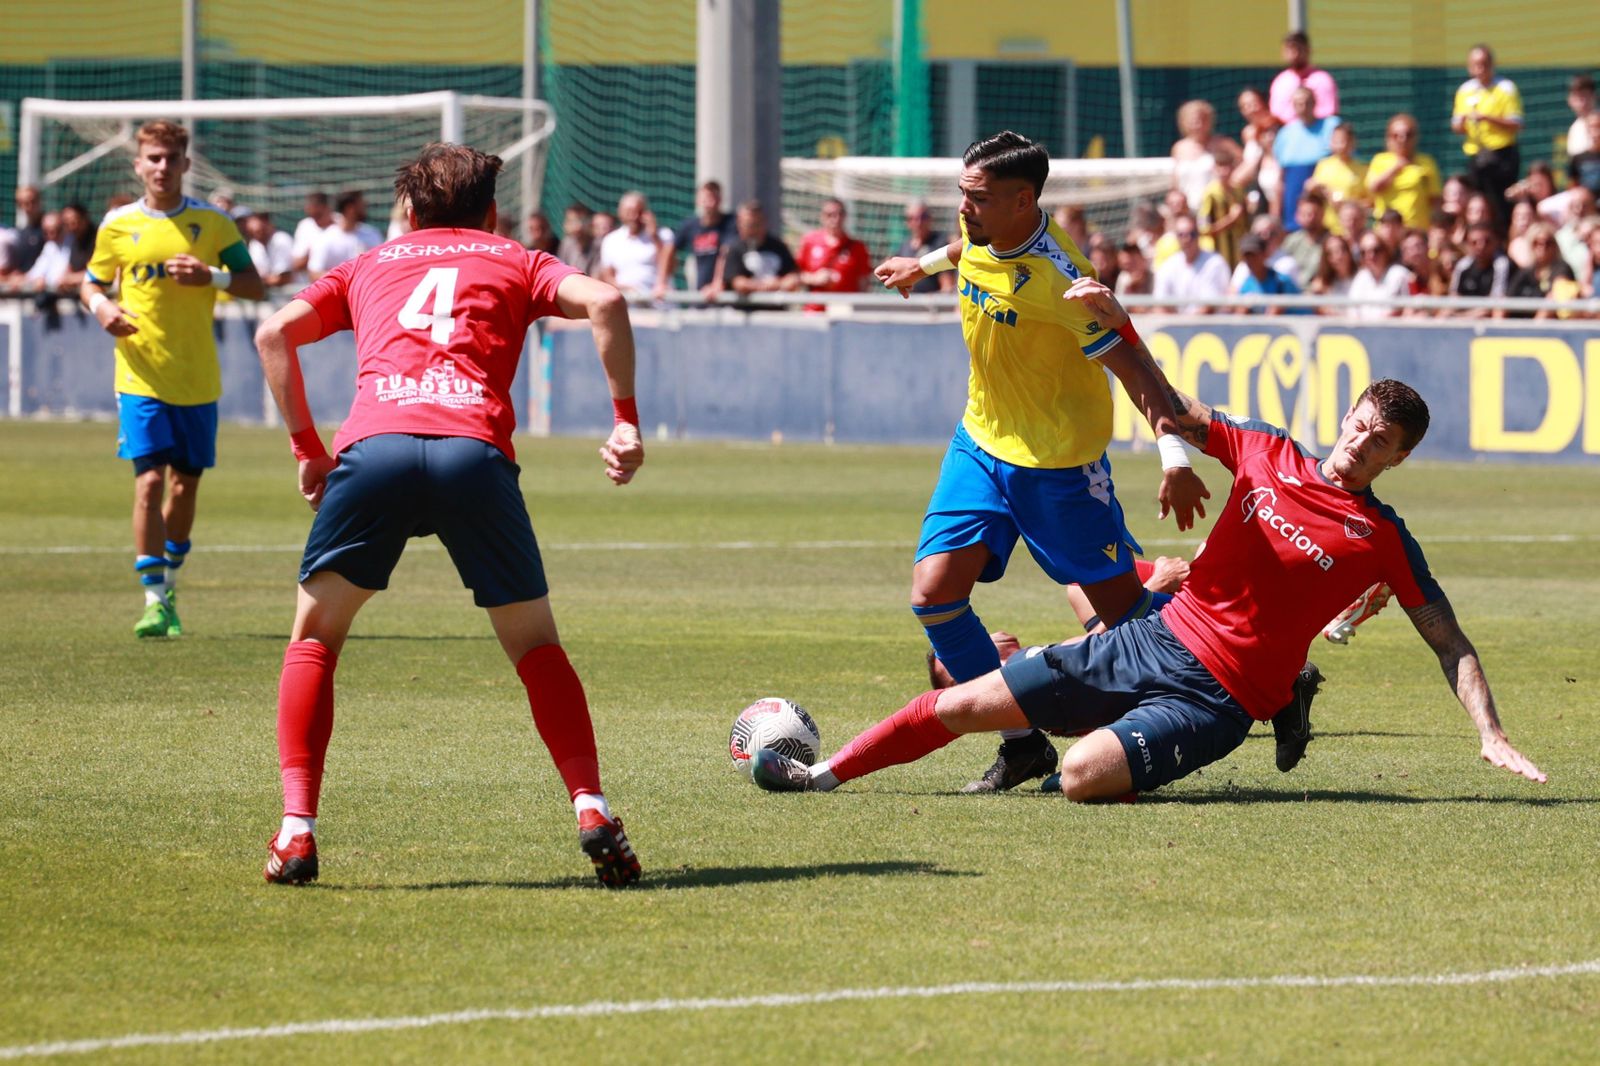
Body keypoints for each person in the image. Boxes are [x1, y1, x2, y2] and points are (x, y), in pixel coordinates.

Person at [753, 289, 1547, 800]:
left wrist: (1491, 733)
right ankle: (817, 775)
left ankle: (1270, 696)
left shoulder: (1383, 539)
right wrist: (1117, 321)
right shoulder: (1265, 450)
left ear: (1398, 458)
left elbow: (1450, 641)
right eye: (1361, 426)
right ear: (1349, 416)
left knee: (1079, 779)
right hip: (1150, 638)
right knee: (968, 701)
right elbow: (1170, 404)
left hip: (1217, 697)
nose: (1361, 445)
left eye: (1381, 444)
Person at [251, 142, 645, 889]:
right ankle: (592, 809)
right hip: (474, 455)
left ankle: (296, 830)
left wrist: (307, 448)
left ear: (407, 209)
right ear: (491, 211)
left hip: (377, 451)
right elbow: (609, 302)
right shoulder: (517, 258)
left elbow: (274, 333)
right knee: (535, 648)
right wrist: (624, 421)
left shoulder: (368, 263)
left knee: (314, 640)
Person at [872, 130, 1210, 792]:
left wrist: (1172, 454)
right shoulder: (981, 231)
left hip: (1057, 467)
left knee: (1129, 620)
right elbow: (964, 248)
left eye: (978, 197)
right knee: (934, 595)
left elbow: (1135, 366)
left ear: (1023, 201)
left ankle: (1252, 683)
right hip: (980, 443)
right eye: (963, 194)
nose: (963, 207)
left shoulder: (1064, 280)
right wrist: (922, 265)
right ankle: (1021, 744)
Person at [77, 120, 266, 638]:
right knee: (149, 483)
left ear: (186, 163)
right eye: (153, 159)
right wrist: (101, 309)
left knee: (183, 489)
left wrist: (213, 277)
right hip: (139, 374)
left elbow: (254, 285)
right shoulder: (117, 225)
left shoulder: (214, 224)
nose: (162, 167)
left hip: (197, 379)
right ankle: (154, 600)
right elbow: (90, 284)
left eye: (171, 158)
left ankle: (171, 581)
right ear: (138, 165)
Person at [1451, 45, 1523, 227]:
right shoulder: (1464, 91)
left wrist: (1487, 119)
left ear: (1491, 65)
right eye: (1475, 64)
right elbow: (1456, 125)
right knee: (1478, 203)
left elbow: (1516, 123)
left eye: (1484, 64)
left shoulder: (1505, 88)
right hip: (1477, 156)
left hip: (1502, 156)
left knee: (1502, 204)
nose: (1480, 69)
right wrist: (1463, 124)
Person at [1275, 88, 1341, 232]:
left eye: (1307, 103)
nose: (1303, 108)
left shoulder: (1332, 126)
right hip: (1293, 214)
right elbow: (1280, 179)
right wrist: (1276, 215)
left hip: (1328, 216)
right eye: (1298, 104)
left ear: (1314, 103)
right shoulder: (1285, 134)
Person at [1366, 114, 1441, 232]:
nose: (1403, 139)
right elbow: (1373, 187)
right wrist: (1395, 168)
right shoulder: (1379, 161)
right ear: (1388, 138)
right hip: (1388, 230)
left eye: (1408, 135)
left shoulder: (1427, 163)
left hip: (1417, 230)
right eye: (1396, 135)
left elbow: (1435, 200)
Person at [660, 180, 735, 296]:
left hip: (723, 296)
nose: (709, 204)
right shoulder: (690, 225)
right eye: (705, 199)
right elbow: (669, 249)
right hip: (700, 292)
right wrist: (661, 283)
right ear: (698, 200)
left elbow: (725, 253)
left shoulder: (730, 223)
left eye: (713, 198)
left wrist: (717, 283)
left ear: (720, 200)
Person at [714, 200, 800, 296]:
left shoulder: (778, 246)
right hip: (746, 310)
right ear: (739, 224)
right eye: (749, 224)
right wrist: (764, 286)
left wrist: (781, 283)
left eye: (757, 224)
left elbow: (793, 276)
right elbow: (738, 283)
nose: (754, 229)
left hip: (775, 309)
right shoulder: (735, 248)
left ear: (764, 222)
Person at [1171, 100, 1240, 214]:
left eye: (1201, 120)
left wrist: (1232, 185)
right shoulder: (1179, 148)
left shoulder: (1222, 144)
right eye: (1192, 121)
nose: (1197, 125)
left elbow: (1243, 165)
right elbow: (1175, 182)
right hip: (1188, 210)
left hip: (1217, 209)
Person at [796, 198, 873, 298]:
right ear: (822, 216)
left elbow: (864, 283)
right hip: (815, 309)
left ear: (845, 216)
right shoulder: (809, 242)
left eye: (839, 214)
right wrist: (814, 279)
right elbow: (795, 276)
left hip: (846, 308)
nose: (835, 219)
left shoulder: (858, 247)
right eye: (829, 214)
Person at [1153, 216, 1231, 313]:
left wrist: (1183, 325)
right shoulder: (1168, 265)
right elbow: (1160, 304)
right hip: (1176, 324)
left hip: (1210, 326)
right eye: (1181, 235)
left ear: (1198, 235)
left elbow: (1209, 308)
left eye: (1192, 234)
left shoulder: (1215, 263)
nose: (1187, 239)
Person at [598, 190, 666, 298]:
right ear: (620, 213)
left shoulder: (663, 235)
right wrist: (626, 289)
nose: (633, 217)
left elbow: (670, 266)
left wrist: (655, 237)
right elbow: (607, 276)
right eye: (628, 212)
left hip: (656, 304)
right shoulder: (611, 240)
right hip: (627, 304)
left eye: (637, 212)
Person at [1505, 222, 1577, 319]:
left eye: (1547, 243)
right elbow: (1508, 296)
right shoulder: (1526, 271)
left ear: (1555, 246)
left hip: (1550, 327)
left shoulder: (1562, 268)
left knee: (1551, 300)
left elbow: (1559, 291)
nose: (1542, 247)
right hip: (1523, 321)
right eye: (1536, 243)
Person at [1270, 30, 1339, 126]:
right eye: (1289, 48)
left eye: (1298, 48)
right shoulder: (1280, 82)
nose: (1294, 53)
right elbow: (1277, 114)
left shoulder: (1322, 79)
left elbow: (1329, 112)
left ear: (1308, 50)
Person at [1308, 123, 1368, 235]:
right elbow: (1312, 189)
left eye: (1343, 140)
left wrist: (1348, 204)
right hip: (1327, 229)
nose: (1340, 145)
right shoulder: (1323, 165)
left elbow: (1369, 202)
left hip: (1353, 230)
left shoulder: (1362, 169)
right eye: (1336, 140)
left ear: (1352, 143)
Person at [307, 191, 382, 279]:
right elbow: (314, 273)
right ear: (350, 208)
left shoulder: (372, 233)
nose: (364, 208)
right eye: (361, 205)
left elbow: (380, 266)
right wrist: (345, 280)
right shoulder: (326, 238)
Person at [1198, 144, 1248, 266]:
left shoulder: (1239, 191)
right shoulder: (1210, 194)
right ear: (1214, 169)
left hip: (1238, 254)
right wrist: (1230, 219)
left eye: (1227, 167)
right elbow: (1204, 229)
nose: (1224, 171)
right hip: (1217, 256)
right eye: (1220, 167)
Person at [1447, 222, 1512, 317]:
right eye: (1474, 242)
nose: (1480, 246)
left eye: (1487, 242)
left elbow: (1496, 302)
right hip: (1464, 317)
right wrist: (1465, 316)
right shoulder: (1463, 266)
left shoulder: (1501, 264)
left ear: (1496, 242)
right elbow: (1453, 300)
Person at [1348, 231, 1412, 318]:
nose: (1370, 256)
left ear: (1385, 250)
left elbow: (1409, 309)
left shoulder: (1400, 274)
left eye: (1376, 250)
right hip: (1363, 329)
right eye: (1364, 252)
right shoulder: (1361, 277)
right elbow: (1353, 311)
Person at [1233, 232, 1302, 313]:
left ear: (1264, 254)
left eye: (1253, 255)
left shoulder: (1282, 281)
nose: (1250, 260)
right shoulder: (1246, 284)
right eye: (1247, 256)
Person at [896, 200, 955, 294]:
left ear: (930, 218)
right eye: (913, 218)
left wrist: (931, 300)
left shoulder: (940, 244)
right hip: (908, 304)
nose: (918, 223)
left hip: (933, 306)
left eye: (923, 217)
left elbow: (947, 287)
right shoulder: (904, 247)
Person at [1281, 189, 1329, 283]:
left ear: (1322, 214)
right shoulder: (1292, 241)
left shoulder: (1330, 241)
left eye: (1313, 214)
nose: (1309, 218)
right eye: (1304, 214)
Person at [243, 209, 296, 289]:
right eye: (252, 233)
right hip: (273, 296)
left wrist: (258, 281)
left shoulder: (281, 239)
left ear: (267, 224)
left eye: (259, 231)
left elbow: (284, 278)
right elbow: (256, 274)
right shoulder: (255, 244)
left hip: (294, 293)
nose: (257, 236)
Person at [290, 192, 335, 279]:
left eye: (318, 214)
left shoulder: (341, 224)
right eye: (312, 215)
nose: (315, 218)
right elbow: (297, 264)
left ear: (327, 208)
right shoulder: (305, 226)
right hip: (311, 283)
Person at [556, 202, 601, 276]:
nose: (577, 225)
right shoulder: (567, 243)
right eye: (571, 221)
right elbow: (561, 273)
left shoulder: (598, 245)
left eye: (580, 220)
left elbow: (596, 277)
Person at [1567, 74, 1596, 159]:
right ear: (1570, 100)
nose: (1583, 102)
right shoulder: (1574, 130)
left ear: (1594, 96)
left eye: (1585, 95)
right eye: (1578, 97)